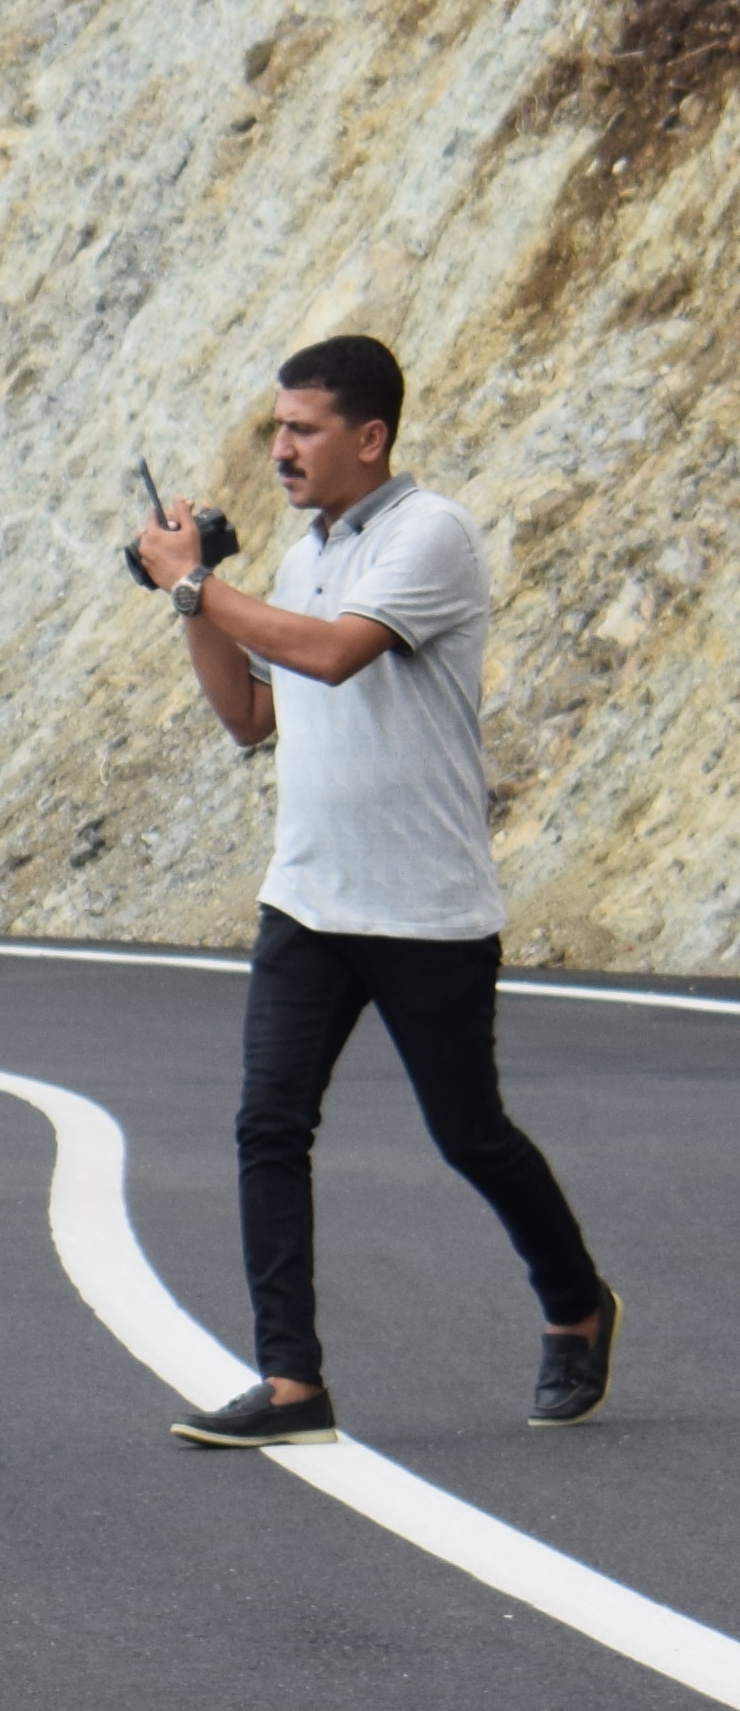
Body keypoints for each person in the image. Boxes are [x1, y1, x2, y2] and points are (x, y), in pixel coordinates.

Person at [133, 332, 613, 1443]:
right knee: (267, 1123)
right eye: (277, 427)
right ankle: (292, 1383)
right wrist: (190, 603)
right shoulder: (300, 556)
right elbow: (251, 717)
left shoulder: (431, 534)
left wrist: (203, 580)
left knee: (468, 1131)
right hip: (308, 897)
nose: (281, 448)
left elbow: (337, 653)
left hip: (424, 904)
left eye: (302, 429)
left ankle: (577, 1306)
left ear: (370, 435)